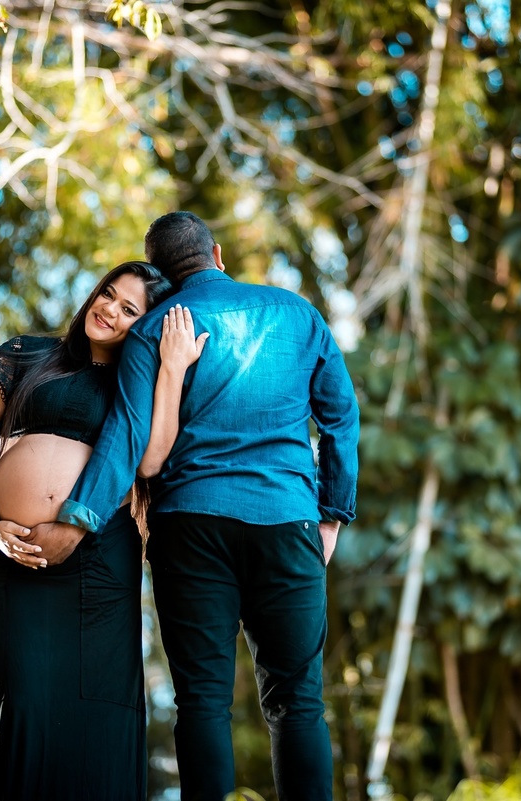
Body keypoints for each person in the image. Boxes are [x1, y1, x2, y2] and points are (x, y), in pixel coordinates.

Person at [29, 212, 361, 800]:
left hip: (189, 529)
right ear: (217, 253)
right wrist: (331, 514)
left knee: (202, 702)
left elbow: (129, 438)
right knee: (298, 701)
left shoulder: (151, 331)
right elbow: (340, 419)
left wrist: (76, 519)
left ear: (159, 272)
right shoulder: (296, 313)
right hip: (287, 521)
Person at [0, 261, 208, 800]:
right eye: (108, 294)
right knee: (21, 707)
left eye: (129, 308)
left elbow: (152, 458)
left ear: (145, 324)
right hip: (10, 561)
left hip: (100, 567)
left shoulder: (136, 384)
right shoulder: (25, 354)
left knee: (98, 714)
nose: (109, 310)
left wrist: (173, 369)